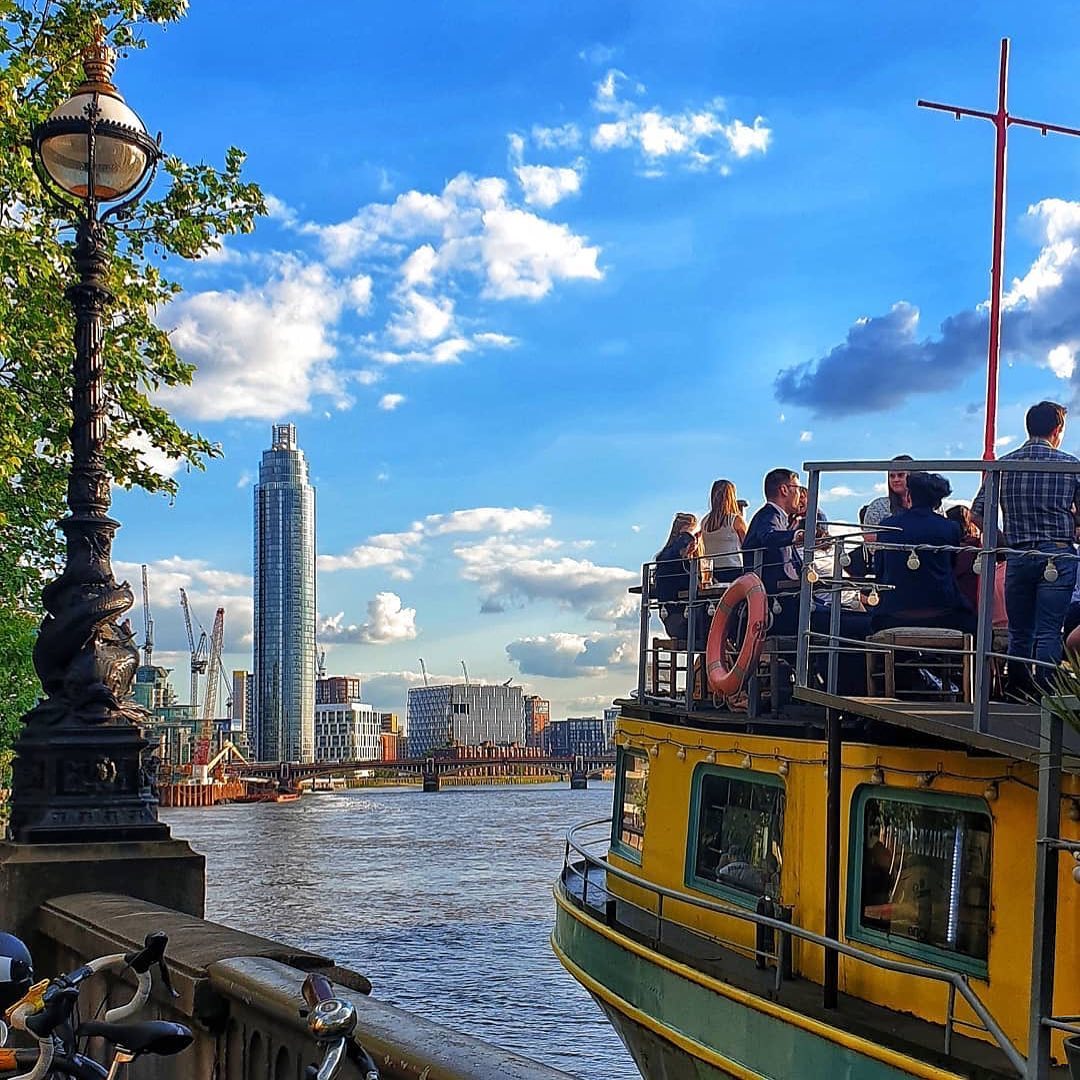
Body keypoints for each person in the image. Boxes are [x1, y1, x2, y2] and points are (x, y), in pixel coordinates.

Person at [972, 400, 1080, 691]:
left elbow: (977, 513)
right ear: (1057, 429)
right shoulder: (1071, 466)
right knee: (1049, 630)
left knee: (1019, 630)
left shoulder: (1004, 465)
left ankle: (1017, 688)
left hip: (1019, 553)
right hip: (1057, 555)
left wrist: (1003, 541)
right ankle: (1047, 691)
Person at [873, 473, 975, 634]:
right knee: (979, 627)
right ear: (938, 501)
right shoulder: (951, 528)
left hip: (894, 613)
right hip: (943, 613)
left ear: (908, 495)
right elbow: (951, 566)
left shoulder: (887, 527)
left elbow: (879, 569)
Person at [653, 512, 698, 640]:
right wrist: (685, 537)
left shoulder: (681, 560)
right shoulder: (669, 557)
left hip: (680, 616)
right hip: (679, 619)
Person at [699, 479, 747, 581]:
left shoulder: (704, 522)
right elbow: (747, 544)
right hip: (734, 568)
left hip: (712, 571)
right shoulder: (735, 520)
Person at [863, 455, 914, 542]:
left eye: (900, 475)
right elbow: (870, 542)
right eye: (892, 476)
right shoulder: (877, 507)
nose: (896, 479)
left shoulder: (931, 504)